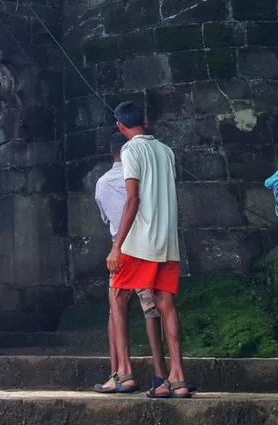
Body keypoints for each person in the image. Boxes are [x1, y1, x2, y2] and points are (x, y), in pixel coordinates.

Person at [108, 101, 191, 399]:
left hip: (140, 240)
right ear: (145, 120)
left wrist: (117, 245)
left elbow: (133, 200)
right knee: (165, 304)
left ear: (120, 126)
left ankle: (124, 372)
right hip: (167, 242)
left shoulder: (130, 150)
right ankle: (177, 377)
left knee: (117, 295)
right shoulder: (166, 151)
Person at [93, 131, 166, 395]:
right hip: (146, 247)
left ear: (111, 153)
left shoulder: (102, 183)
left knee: (116, 308)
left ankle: (120, 372)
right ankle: (160, 373)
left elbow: (108, 218)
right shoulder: (141, 178)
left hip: (121, 249)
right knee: (151, 309)